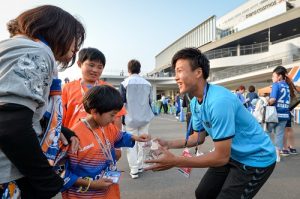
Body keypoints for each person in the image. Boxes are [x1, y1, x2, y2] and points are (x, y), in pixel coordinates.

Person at [145, 48, 276, 199]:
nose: (176, 77)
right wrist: (168, 144)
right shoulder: (195, 102)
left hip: (255, 159)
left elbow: (220, 157)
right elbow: (197, 138)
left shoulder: (219, 101)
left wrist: (175, 161)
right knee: (203, 193)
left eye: (179, 71)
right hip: (231, 154)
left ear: (198, 72)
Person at [0, 5, 85, 199]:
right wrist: (45, 179)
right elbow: (10, 124)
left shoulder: (10, 47)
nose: (76, 48)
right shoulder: (35, 53)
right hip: (8, 173)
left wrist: (59, 129)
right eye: (75, 40)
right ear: (58, 31)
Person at [61, 85, 150, 198]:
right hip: (85, 194)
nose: (114, 119)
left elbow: (119, 136)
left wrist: (135, 137)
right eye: (112, 115)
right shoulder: (73, 138)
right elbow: (60, 173)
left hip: (109, 191)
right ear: (95, 112)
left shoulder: (107, 126)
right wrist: (92, 184)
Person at [62, 47, 125, 161]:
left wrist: (117, 146)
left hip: (103, 144)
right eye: (91, 65)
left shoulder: (109, 88)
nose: (95, 70)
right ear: (79, 64)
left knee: (102, 175)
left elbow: (117, 118)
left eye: (100, 67)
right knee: (77, 176)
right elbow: (60, 118)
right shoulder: (67, 88)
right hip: (75, 143)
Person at [120, 59, 154, 179]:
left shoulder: (125, 83)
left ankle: (134, 169)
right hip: (145, 118)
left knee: (131, 144)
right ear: (139, 70)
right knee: (143, 142)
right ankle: (141, 164)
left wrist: (121, 119)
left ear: (129, 70)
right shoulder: (148, 84)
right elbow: (150, 102)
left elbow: (121, 103)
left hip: (130, 118)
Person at [266, 66, 293, 162]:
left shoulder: (276, 85)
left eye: (274, 76)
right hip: (285, 115)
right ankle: (277, 155)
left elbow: (272, 100)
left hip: (274, 114)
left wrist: (267, 102)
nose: (272, 78)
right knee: (279, 135)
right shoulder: (287, 86)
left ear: (279, 76)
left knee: (266, 133)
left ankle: (267, 153)